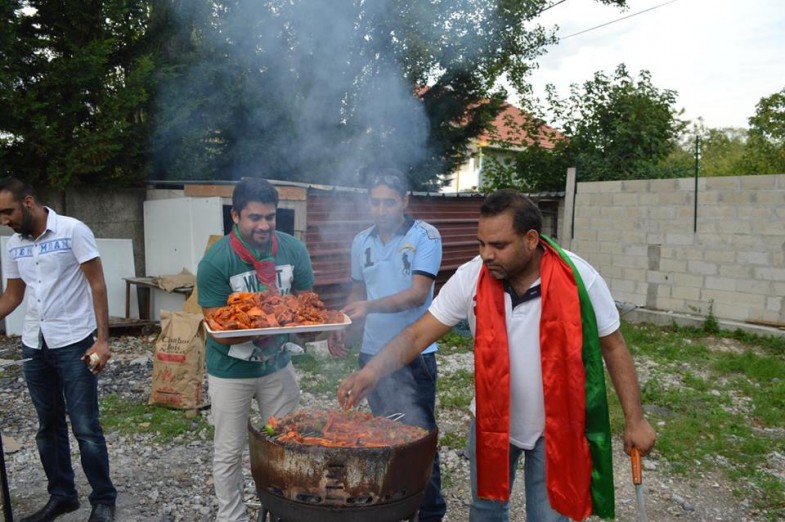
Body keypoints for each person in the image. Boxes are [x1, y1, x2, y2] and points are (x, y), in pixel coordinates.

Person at [338, 189, 657, 522]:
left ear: (531, 239)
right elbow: (418, 333)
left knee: (549, 516)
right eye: (481, 243)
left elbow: (614, 345)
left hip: (556, 424)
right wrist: (371, 372)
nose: (486, 255)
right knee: (486, 510)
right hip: (491, 420)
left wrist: (635, 419)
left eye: (499, 245)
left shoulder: (579, 279)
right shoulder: (472, 276)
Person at [196, 177, 315, 522]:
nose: (264, 225)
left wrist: (321, 331)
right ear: (235, 216)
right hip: (230, 371)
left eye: (270, 217)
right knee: (230, 452)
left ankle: (285, 512)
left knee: (288, 443)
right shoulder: (216, 262)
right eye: (255, 218)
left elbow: (308, 306)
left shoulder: (293, 250)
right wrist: (269, 321)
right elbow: (217, 330)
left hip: (277, 365)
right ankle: (231, 517)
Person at [0, 177, 117, 522]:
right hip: (35, 344)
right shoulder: (13, 245)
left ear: (29, 202)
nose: (4, 220)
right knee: (47, 426)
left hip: (75, 341)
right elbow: (13, 296)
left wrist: (103, 339)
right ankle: (62, 495)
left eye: (8, 211)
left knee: (85, 427)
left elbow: (97, 283)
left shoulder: (72, 230)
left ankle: (103, 499)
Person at [335, 168, 446, 521]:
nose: (381, 210)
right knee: (379, 435)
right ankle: (392, 505)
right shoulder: (361, 242)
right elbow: (358, 293)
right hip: (372, 355)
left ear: (405, 201)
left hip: (416, 354)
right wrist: (343, 326)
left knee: (418, 438)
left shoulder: (425, 236)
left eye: (389, 202)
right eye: (375, 202)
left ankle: (428, 512)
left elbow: (417, 295)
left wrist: (369, 305)